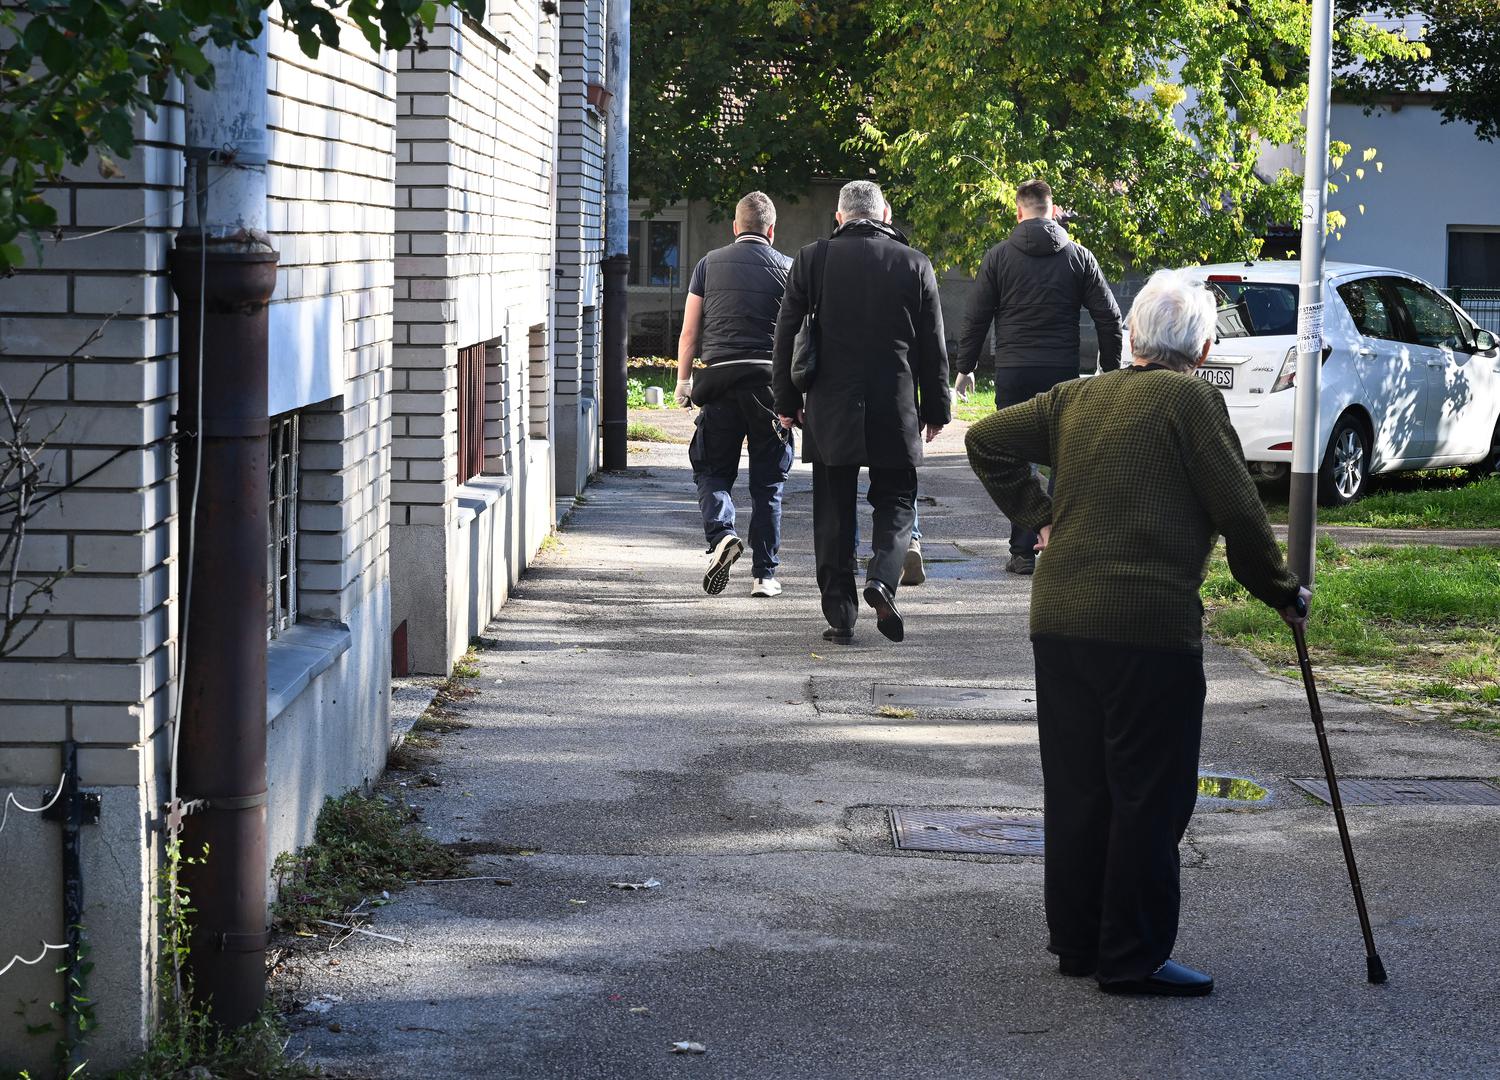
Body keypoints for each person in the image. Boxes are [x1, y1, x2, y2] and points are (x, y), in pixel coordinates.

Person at [964, 268, 1309, 997]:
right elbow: (1240, 511)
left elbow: (986, 437)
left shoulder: (1074, 397)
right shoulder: (1191, 399)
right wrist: (1281, 593)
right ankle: (1133, 957)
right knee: (1148, 794)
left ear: (1131, 337)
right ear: (1205, 344)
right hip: (1148, 627)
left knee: (1079, 786)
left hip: (1059, 621)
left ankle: (1080, 942)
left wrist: (1040, 515)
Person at [771, 181, 950, 644]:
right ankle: (882, 580)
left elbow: (787, 335)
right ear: (885, 214)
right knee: (897, 501)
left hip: (831, 405)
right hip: (895, 402)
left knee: (833, 509)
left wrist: (787, 403)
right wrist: (936, 408)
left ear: (839, 216)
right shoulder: (915, 263)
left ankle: (840, 615)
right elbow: (932, 344)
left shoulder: (813, 259)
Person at [955, 178, 1124, 575]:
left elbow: (976, 317)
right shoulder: (1078, 257)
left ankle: (1022, 549)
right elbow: (1109, 317)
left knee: (1016, 457)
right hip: (1060, 373)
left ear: (1018, 211)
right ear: (1054, 210)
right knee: (1062, 459)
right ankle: (1056, 542)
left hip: (1013, 370)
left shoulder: (997, 257)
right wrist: (1110, 369)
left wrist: (965, 368)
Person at [675, 192, 796, 597]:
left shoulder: (708, 265)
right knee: (768, 485)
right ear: (772, 230)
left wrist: (683, 381)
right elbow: (801, 337)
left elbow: (690, 331)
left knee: (711, 469)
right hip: (770, 388)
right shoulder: (789, 269)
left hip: (720, 384)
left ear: (735, 227)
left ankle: (722, 533)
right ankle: (764, 575)